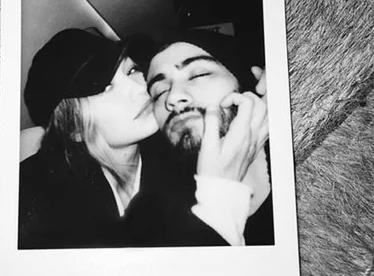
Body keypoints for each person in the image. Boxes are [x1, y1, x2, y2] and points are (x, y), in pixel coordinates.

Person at [18, 28, 267, 249]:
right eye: (104, 87)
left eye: (133, 70)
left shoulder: (179, 146)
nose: (141, 88)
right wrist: (218, 204)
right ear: (74, 128)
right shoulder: (33, 191)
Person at [146, 29, 274, 245]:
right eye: (158, 92)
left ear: (246, 81)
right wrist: (218, 198)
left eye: (198, 75)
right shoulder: (155, 223)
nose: (173, 98)